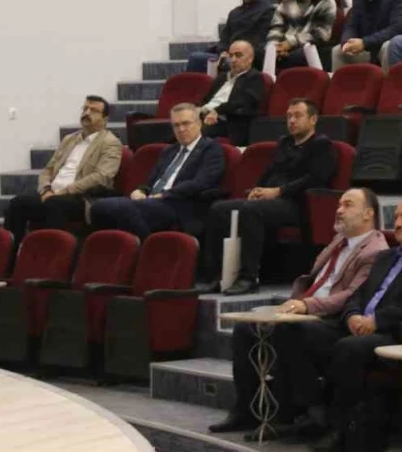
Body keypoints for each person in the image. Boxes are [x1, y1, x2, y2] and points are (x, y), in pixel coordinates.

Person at [207, 188, 389, 436]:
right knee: (245, 330)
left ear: (368, 214)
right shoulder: (339, 240)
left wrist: (306, 306)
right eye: (339, 204)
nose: (339, 210)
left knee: (290, 330)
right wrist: (297, 303)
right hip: (308, 310)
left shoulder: (375, 250)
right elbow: (315, 280)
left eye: (348, 205)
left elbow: (351, 295)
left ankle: (301, 412)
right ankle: (246, 410)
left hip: (334, 320)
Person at [286, 197, 402, 452]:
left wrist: (378, 320)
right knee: (298, 330)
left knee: (349, 348)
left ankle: (340, 428)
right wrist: (352, 315)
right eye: (396, 217)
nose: (398, 223)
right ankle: (312, 411)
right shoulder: (386, 256)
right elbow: (358, 293)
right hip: (359, 324)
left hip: (397, 333)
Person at [196, 99, 336, 296]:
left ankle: (249, 277)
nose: (292, 121)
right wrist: (258, 189)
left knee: (251, 210)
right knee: (219, 209)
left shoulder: (322, 145)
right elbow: (270, 171)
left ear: (313, 119)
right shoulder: (284, 143)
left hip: (298, 203)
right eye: (289, 116)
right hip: (272, 198)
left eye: (297, 116)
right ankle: (214, 276)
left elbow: (314, 179)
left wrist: (278, 191)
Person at [88, 104, 225, 238]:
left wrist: (165, 194)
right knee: (98, 208)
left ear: (199, 123)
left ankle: (148, 243)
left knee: (121, 209)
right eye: (176, 125)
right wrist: (141, 190)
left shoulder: (211, 149)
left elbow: (201, 183)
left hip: (177, 204)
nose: (181, 129)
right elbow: (152, 180)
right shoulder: (169, 150)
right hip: (152, 201)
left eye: (186, 123)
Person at [5, 96, 122, 252]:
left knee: (54, 205)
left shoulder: (110, 142)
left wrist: (64, 191)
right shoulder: (69, 139)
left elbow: (102, 176)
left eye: (94, 110)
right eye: (85, 109)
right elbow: (48, 170)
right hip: (52, 193)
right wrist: (46, 189)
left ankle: (52, 258)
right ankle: (10, 259)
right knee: (17, 203)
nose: (87, 113)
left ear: (105, 119)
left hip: (81, 197)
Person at [185, 0, 275, 73]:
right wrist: (223, 52)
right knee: (196, 58)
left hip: (249, 58)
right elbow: (224, 39)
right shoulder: (234, 13)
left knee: (197, 59)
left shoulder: (268, 11)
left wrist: (234, 53)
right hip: (229, 55)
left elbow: (258, 42)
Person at [265, 0, 337, 74]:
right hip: (285, 47)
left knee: (297, 56)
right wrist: (274, 47)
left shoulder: (326, 1)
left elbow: (322, 34)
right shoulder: (286, 2)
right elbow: (276, 28)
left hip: (311, 46)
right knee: (259, 53)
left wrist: (290, 43)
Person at [199, 41, 265, 146]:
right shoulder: (221, 77)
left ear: (250, 58)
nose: (233, 60)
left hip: (228, 123)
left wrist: (217, 111)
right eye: (231, 56)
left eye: (238, 55)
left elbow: (242, 102)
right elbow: (206, 99)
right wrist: (196, 110)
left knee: (191, 132)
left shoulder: (254, 77)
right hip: (205, 116)